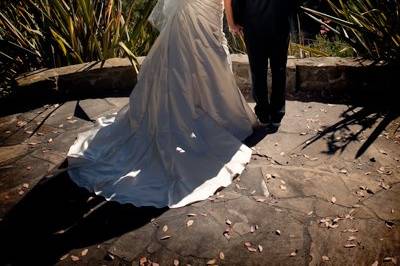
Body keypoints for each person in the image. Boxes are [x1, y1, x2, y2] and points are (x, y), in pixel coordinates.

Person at [66, 0, 258, 209]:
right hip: (202, 10)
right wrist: (231, 22)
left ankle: (188, 109)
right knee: (207, 60)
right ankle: (212, 114)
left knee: (186, 64)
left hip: (192, 9)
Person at [226, 0, 298, 129]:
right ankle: (276, 114)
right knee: (278, 70)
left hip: (254, 24)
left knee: (258, 71)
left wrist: (235, 22)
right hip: (278, 23)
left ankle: (263, 114)